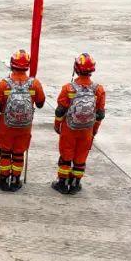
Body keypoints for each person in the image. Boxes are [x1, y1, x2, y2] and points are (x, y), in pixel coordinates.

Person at [0, 49, 45, 192]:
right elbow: (40, 103)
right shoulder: (34, 84)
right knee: (18, 153)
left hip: (6, 125)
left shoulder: (4, 84)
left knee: (5, 153)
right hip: (24, 126)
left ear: (11, 64)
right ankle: (15, 180)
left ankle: (3, 180)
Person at [52, 53, 106, 195]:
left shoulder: (68, 88)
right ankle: (75, 183)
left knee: (66, 155)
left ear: (76, 68)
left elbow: (60, 111)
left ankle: (62, 183)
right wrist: (94, 130)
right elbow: (100, 114)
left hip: (69, 128)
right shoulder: (98, 89)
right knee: (80, 157)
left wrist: (57, 125)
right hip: (87, 130)